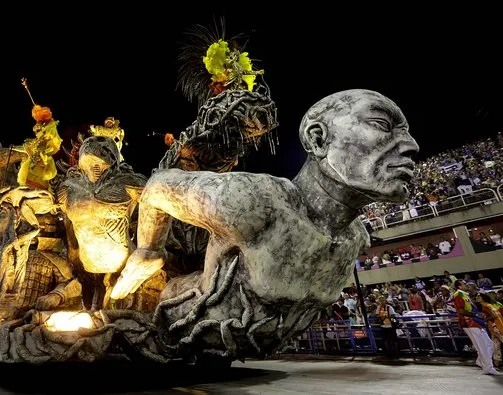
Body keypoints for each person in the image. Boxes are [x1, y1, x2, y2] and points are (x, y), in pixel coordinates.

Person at [109, 89, 419, 353]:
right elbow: (157, 185)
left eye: (406, 132)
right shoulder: (255, 200)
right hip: (164, 319)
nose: (411, 145)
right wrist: (149, 251)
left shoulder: (355, 238)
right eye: (381, 124)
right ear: (318, 138)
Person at [454, 280, 499, 375]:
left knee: (488, 344)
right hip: (469, 322)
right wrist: (476, 315)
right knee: (483, 345)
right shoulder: (459, 294)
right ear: (459, 286)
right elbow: (461, 310)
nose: (466, 285)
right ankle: (488, 367)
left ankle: (481, 361)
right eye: (464, 284)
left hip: (474, 322)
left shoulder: (464, 294)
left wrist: (477, 315)